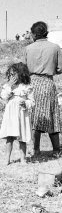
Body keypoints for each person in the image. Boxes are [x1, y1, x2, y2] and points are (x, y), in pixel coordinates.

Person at [24, 21, 62, 155]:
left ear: (34, 34)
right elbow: (60, 68)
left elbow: (25, 68)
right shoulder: (55, 47)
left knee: (34, 116)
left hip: (32, 83)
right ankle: (56, 149)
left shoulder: (29, 48)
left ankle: (36, 149)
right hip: (47, 83)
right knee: (52, 115)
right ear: (46, 32)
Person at [0, 63, 34, 164]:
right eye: (10, 75)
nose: (12, 77)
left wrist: (26, 103)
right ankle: (7, 158)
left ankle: (23, 158)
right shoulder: (7, 86)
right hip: (11, 114)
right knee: (9, 137)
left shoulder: (27, 87)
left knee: (22, 136)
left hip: (21, 114)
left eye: (14, 74)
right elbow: (4, 97)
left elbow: (32, 102)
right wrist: (9, 86)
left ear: (21, 74)